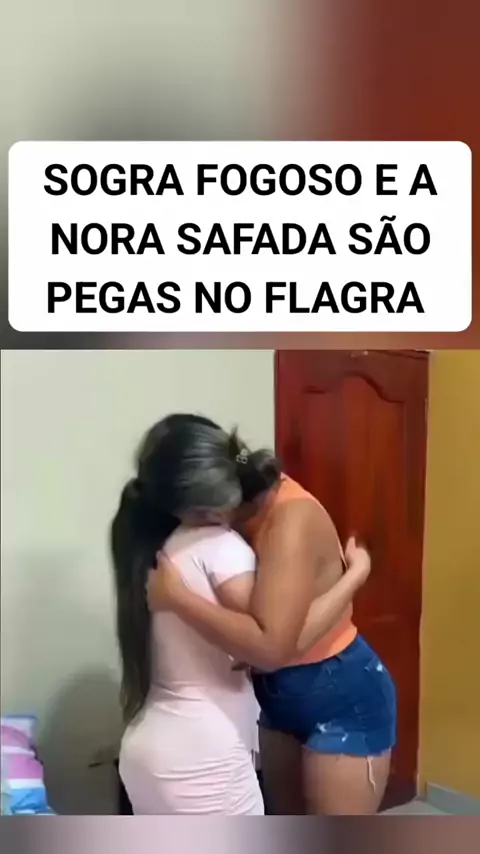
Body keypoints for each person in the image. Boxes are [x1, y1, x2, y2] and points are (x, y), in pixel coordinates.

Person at [111, 414, 371, 815]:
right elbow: (273, 648)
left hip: (151, 744)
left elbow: (271, 644)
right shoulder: (219, 544)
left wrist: (179, 598)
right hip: (204, 752)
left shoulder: (164, 549)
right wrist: (355, 576)